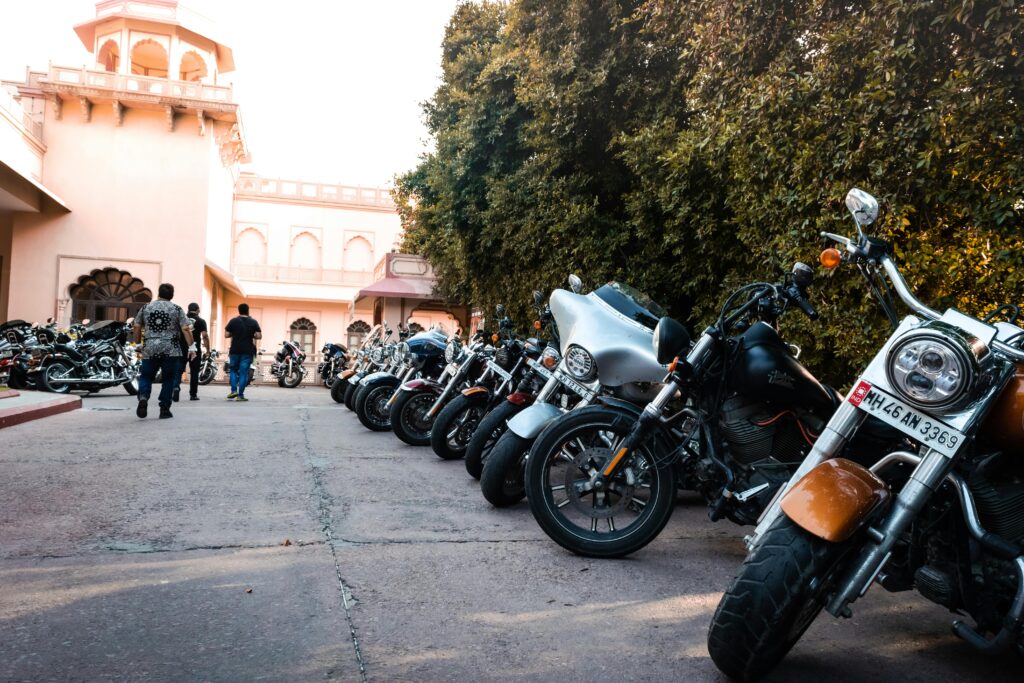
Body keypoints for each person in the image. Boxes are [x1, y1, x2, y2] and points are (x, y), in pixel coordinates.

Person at [133, 283, 194, 419]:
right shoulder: (177, 309)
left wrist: (138, 344)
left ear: (158, 293)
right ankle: (164, 409)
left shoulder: (146, 307)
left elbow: (137, 326)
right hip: (171, 349)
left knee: (146, 376)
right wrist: (192, 346)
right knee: (168, 379)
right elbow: (185, 328)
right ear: (171, 295)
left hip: (150, 347)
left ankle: (143, 396)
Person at [224, 303, 261, 401]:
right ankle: (240, 396)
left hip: (235, 350)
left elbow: (226, 334)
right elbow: (259, 336)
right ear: (248, 311)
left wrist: (235, 333)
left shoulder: (233, 321)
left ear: (239, 310)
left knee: (233, 370)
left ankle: (233, 391)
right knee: (244, 373)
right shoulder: (253, 322)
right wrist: (251, 335)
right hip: (247, 351)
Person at [185, 303, 209, 401]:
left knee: (177, 369)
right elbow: (205, 336)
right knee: (194, 372)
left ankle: (175, 389)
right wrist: (208, 350)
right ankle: (193, 394)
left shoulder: (183, 319)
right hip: (195, 349)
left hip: (182, 347)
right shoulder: (201, 321)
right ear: (198, 310)